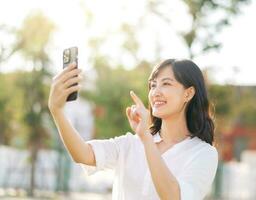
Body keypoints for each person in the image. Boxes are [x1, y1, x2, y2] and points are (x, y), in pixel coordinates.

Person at [48, 58, 218, 200]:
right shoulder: (131, 143)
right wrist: (57, 111)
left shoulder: (203, 153)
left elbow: (174, 196)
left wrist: (145, 138)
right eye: (152, 85)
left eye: (166, 84)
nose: (155, 92)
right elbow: (83, 155)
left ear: (188, 94)